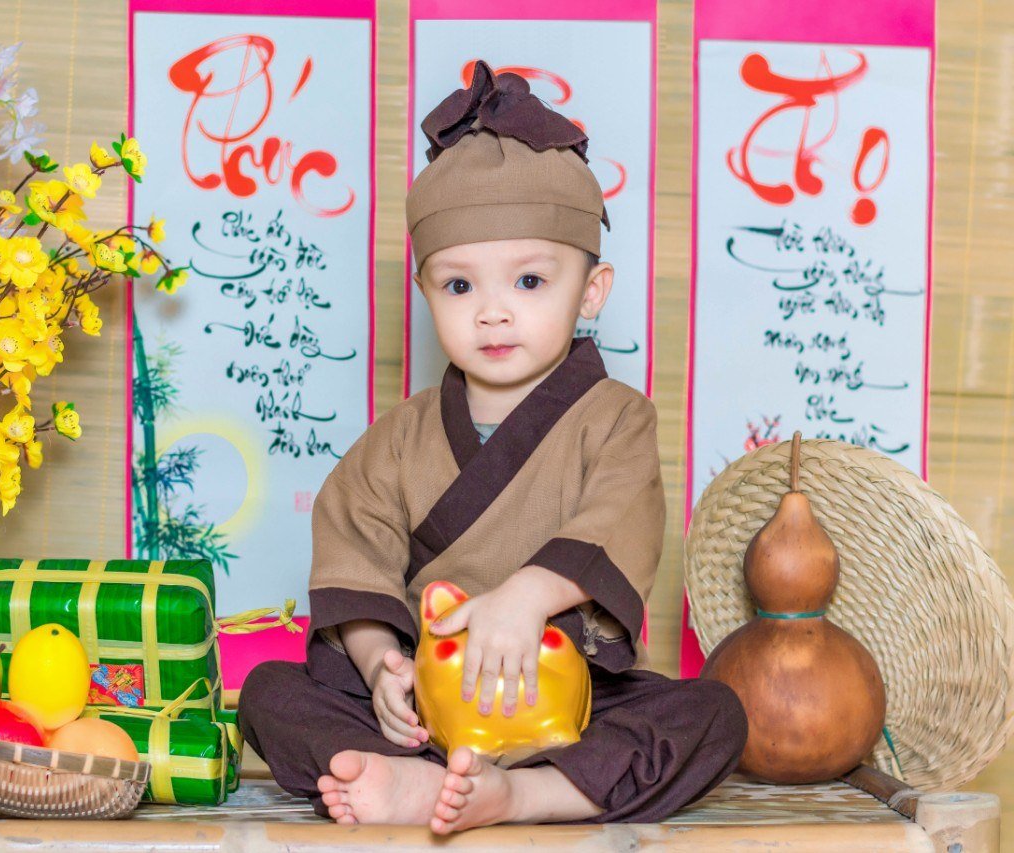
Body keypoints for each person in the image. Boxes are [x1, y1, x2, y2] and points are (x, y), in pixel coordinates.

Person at [238, 60, 747, 834]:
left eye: (530, 282)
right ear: (425, 291)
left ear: (592, 290)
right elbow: (355, 556)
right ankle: (413, 774)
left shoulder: (616, 418)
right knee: (268, 692)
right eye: (460, 286)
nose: (493, 313)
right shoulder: (399, 439)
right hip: (429, 708)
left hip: (568, 706)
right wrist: (380, 665)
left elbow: (621, 516)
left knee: (712, 713)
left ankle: (525, 795)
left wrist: (527, 598)